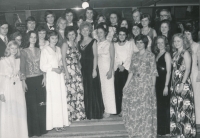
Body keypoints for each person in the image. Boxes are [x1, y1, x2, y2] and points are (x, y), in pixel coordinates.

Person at [122, 34, 158, 138]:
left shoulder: (151, 55)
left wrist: (152, 87)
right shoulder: (135, 55)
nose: (139, 44)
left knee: (145, 108)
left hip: (146, 84)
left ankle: (146, 133)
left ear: (145, 43)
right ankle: (136, 132)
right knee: (135, 107)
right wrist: (126, 85)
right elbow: (131, 71)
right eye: (137, 42)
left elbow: (153, 72)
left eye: (141, 42)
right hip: (135, 84)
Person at [40, 30, 69, 131]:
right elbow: (42, 66)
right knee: (54, 99)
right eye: (52, 38)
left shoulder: (58, 48)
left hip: (59, 76)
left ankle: (61, 122)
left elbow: (60, 61)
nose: (55, 40)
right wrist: (53, 69)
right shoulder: (45, 50)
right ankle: (55, 124)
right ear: (48, 38)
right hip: (51, 76)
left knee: (60, 98)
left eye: (56, 38)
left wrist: (60, 67)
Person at [20, 31, 47, 137]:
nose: (33, 39)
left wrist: (44, 77)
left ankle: (42, 129)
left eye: (35, 37)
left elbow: (43, 64)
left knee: (41, 104)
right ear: (28, 38)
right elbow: (22, 68)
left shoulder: (39, 50)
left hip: (40, 78)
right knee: (31, 105)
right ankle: (33, 131)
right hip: (29, 81)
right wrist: (23, 81)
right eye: (31, 37)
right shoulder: (23, 51)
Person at [0, 41, 28, 138]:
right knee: (9, 111)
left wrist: (21, 75)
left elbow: (20, 73)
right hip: (8, 87)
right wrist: (1, 93)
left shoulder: (18, 60)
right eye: (12, 48)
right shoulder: (3, 61)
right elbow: (1, 77)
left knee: (19, 110)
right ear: (8, 49)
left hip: (17, 87)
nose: (14, 50)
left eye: (16, 48)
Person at [170, 33, 196, 138]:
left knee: (185, 109)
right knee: (176, 108)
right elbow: (174, 70)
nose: (176, 43)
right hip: (175, 83)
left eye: (178, 41)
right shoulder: (175, 53)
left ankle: (187, 134)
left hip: (183, 83)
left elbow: (188, 69)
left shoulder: (185, 53)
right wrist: (172, 83)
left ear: (183, 42)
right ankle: (178, 133)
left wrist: (182, 83)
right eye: (175, 41)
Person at [78, 21, 104, 119]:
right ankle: (87, 112)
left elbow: (95, 57)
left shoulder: (93, 41)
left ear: (90, 31)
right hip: (82, 68)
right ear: (80, 31)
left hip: (91, 67)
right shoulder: (79, 42)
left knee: (92, 89)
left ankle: (95, 112)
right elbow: (78, 56)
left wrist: (94, 70)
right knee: (85, 89)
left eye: (87, 30)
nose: (85, 31)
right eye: (83, 30)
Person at [61, 27, 86, 123]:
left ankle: (79, 115)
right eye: (70, 34)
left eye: (73, 34)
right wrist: (67, 73)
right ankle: (71, 116)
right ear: (66, 35)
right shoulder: (65, 44)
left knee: (78, 92)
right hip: (69, 71)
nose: (72, 36)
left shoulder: (76, 44)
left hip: (77, 71)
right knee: (71, 93)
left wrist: (79, 66)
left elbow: (77, 58)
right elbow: (63, 59)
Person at [97, 23, 116, 118]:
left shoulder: (109, 43)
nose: (100, 34)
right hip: (99, 68)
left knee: (108, 89)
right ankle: (103, 108)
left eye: (101, 32)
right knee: (102, 89)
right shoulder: (96, 43)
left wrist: (110, 70)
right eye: (98, 33)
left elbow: (112, 58)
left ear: (105, 33)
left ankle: (109, 110)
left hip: (107, 68)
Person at [154, 36, 171, 136]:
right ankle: (160, 130)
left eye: (162, 42)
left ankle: (166, 131)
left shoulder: (167, 54)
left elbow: (168, 71)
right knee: (159, 106)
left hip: (164, 83)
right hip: (158, 82)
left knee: (164, 107)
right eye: (158, 43)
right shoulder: (157, 54)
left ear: (165, 44)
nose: (160, 44)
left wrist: (166, 85)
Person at [114, 27, 133, 116]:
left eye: (123, 34)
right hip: (118, 69)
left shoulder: (129, 44)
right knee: (118, 90)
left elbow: (130, 56)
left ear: (126, 35)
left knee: (126, 90)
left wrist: (124, 66)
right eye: (120, 34)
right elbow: (115, 57)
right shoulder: (115, 45)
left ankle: (126, 110)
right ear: (117, 35)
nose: (121, 36)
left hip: (127, 70)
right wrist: (119, 65)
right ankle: (120, 109)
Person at [184, 27, 200, 125]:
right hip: (184, 73)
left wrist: (199, 73)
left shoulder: (197, 45)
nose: (186, 36)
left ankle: (198, 120)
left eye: (188, 34)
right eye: (185, 33)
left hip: (194, 73)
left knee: (196, 95)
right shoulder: (183, 45)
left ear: (192, 35)